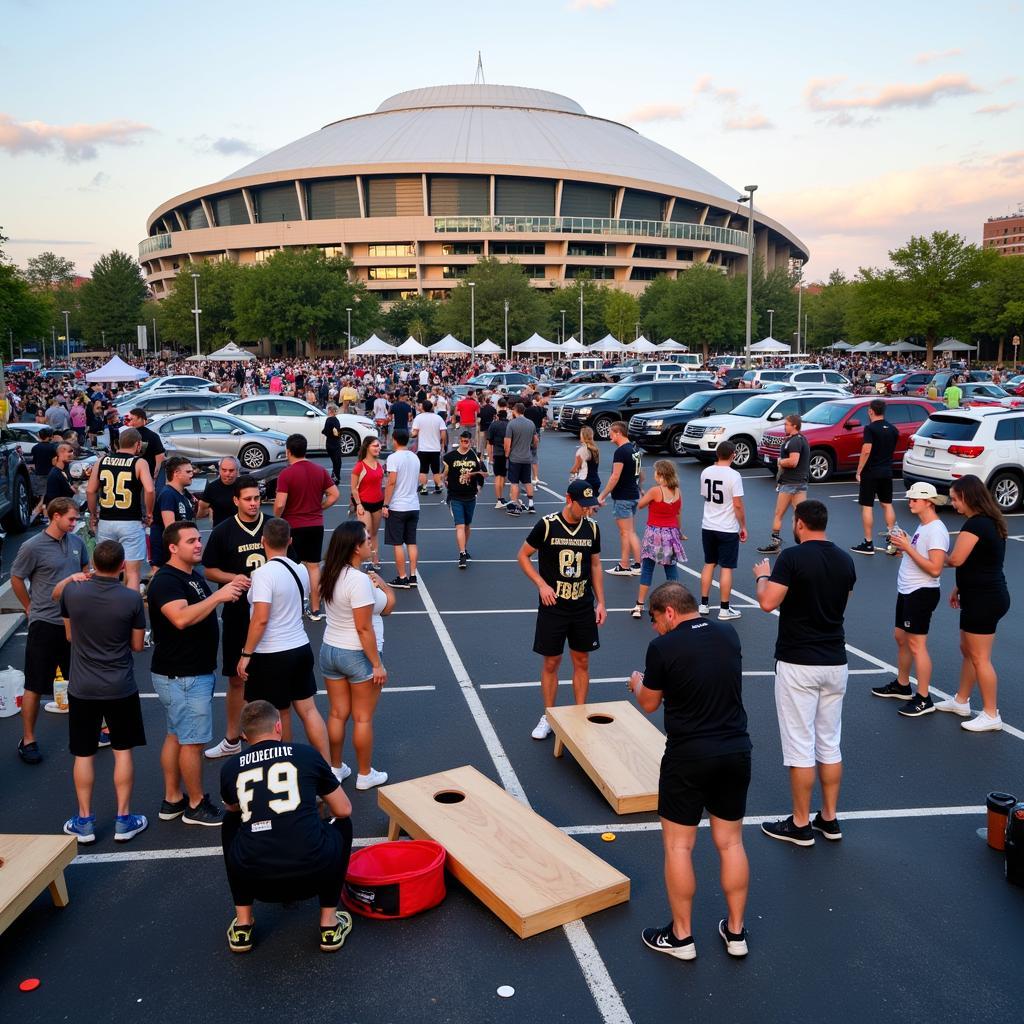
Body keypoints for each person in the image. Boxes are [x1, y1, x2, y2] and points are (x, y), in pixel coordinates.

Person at [629, 582, 751, 961]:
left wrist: (637, 683)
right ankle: (735, 932)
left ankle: (681, 938)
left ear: (669, 612)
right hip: (735, 749)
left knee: (679, 846)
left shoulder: (663, 647)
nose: (654, 627)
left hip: (689, 756)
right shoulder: (728, 633)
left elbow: (649, 703)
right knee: (730, 843)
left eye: (654, 619)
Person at [754, 500, 856, 846]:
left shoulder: (792, 558)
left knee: (800, 746)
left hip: (799, 662)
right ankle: (829, 818)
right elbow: (845, 599)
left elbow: (768, 602)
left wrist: (762, 577)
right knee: (829, 744)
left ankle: (799, 824)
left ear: (799, 524)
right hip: (835, 661)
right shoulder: (845, 560)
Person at [220, 700, 354, 954]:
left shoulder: (230, 767)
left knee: (230, 824)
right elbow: (344, 809)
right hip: (313, 874)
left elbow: (232, 810)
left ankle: (243, 924)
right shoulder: (305, 754)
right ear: (279, 726)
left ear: (245, 736)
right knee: (342, 824)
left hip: (256, 881)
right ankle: (329, 924)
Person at [148, 520, 248, 827]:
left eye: (198, 539)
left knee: (177, 736)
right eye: (191, 541)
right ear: (173, 548)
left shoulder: (190, 575)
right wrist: (218, 597)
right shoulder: (167, 580)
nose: (198, 544)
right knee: (192, 742)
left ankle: (172, 798)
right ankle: (195, 804)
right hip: (183, 674)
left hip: (186, 672)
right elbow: (179, 618)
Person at [59, 540, 148, 844]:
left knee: (84, 754)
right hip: (120, 685)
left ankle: (84, 821)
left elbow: (70, 634)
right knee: (122, 751)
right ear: (123, 566)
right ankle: (124, 819)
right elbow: (137, 646)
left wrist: (73, 578)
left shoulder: (73, 592)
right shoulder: (131, 599)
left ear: (93, 565)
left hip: (82, 686)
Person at [517, 479, 606, 740]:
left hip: (582, 605)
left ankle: (579, 715)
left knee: (582, 660)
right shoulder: (547, 525)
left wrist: (601, 602)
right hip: (554, 606)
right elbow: (522, 555)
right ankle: (549, 714)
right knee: (552, 661)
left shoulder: (592, 528)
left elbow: (596, 565)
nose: (588, 510)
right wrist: (541, 585)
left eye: (591, 506)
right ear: (569, 500)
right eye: (583, 505)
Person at [236, 517, 330, 758]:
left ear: (263, 541)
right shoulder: (300, 569)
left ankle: (285, 765)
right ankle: (328, 768)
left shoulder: (263, 574)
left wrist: (246, 654)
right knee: (309, 710)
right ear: (289, 540)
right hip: (300, 646)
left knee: (281, 712)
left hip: (272, 653)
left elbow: (261, 618)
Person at [10, 498, 90, 765]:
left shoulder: (77, 543)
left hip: (73, 624)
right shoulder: (32, 546)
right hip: (45, 623)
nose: (74, 523)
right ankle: (28, 739)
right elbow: (16, 577)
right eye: (70, 519)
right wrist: (29, 607)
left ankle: (85, 733)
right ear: (55, 516)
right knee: (34, 685)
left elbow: (84, 571)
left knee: (79, 683)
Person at [320, 520, 395, 790]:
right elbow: (364, 628)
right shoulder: (359, 581)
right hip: (356, 654)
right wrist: (377, 664)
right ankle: (365, 774)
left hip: (330, 649)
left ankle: (336, 768)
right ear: (355, 547)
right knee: (363, 717)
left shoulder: (328, 572)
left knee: (338, 713)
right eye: (366, 540)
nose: (370, 542)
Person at [938, 475, 1010, 732]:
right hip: (981, 594)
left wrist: (924, 555)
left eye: (956, 498)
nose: (953, 503)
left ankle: (991, 714)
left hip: (985, 599)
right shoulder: (990, 522)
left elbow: (956, 559)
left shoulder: (976, 525)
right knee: (967, 650)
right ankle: (961, 701)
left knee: (980, 657)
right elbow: (982, 561)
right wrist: (959, 587)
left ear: (968, 497)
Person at [202, 475, 267, 760]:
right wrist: (234, 578)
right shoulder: (224, 530)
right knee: (236, 678)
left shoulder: (274, 526)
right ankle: (232, 738)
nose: (253, 504)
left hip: (270, 618)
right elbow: (209, 569)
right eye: (248, 499)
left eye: (257, 498)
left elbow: (294, 563)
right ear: (236, 501)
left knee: (268, 680)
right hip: (238, 614)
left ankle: (267, 742)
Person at [873, 482, 950, 716]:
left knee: (917, 644)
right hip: (907, 590)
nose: (910, 502)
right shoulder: (923, 526)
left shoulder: (936, 530)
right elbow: (919, 556)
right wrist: (904, 547)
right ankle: (902, 684)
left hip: (921, 592)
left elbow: (936, 569)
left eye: (915, 499)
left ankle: (924, 698)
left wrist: (908, 547)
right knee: (901, 637)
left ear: (928, 502)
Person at [273, 433, 339, 621]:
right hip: (315, 525)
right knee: (313, 567)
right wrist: (320, 507)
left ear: (288, 451)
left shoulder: (286, 474)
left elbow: (279, 504)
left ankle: (293, 607)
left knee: (291, 567)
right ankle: (316, 609)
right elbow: (334, 495)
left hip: (292, 526)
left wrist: (277, 520)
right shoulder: (319, 470)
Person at [86, 428, 155, 592]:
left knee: (106, 571)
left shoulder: (101, 461)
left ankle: (105, 605)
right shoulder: (139, 462)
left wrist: (94, 514)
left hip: (106, 521)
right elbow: (150, 490)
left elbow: (90, 491)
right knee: (132, 573)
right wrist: (150, 513)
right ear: (138, 445)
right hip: (130, 521)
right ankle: (130, 610)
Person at [631, 460, 686, 619]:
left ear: (660, 475)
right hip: (670, 535)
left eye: (655, 472)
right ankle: (676, 604)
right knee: (670, 569)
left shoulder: (655, 491)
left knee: (648, 568)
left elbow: (640, 505)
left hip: (654, 535)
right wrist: (679, 532)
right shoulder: (677, 491)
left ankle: (639, 605)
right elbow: (677, 514)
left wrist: (642, 494)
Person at [699, 441, 747, 620]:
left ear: (717, 454)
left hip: (708, 525)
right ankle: (724, 609)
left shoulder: (706, 472)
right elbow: (737, 504)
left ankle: (703, 604)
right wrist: (743, 526)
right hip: (727, 527)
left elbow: (705, 496)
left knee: (709, 563)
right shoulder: (734, 475)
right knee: (726, 567)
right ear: (733, 454)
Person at [851, 399, 898, 555]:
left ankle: (868, 542)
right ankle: (892, 537)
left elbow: (866, 450)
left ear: (871, 411)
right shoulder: (893, 429)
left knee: (867, 506)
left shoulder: (870, 429)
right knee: (887, 504)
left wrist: (859, 471)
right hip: (886, 471)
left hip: (871, 471)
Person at [757, 414, 809, 554]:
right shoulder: (801, 439)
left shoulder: (794, 442)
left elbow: (793, 461)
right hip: (800, 482)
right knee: (801, 515)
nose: (784, 426)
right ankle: (807, 543)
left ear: (795, 426)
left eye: (787, 424)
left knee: (779, 514)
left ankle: (775, 543)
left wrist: (780, 461)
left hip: (790, 483)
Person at [599, 421, 643, 576]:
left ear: (618, 432)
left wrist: (602, 495)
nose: (609, 434)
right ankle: (637, 564)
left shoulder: (621, 452)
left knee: (626, 533)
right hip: (632, 495)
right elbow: (639, 473)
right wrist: (640, 488)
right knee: (630, 531)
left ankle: (625, 565)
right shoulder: (634, 449)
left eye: (611, 432)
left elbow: (615, 476)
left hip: (623, 497)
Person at [382, 428, 421, 589]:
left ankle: (402, 577)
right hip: (413, 505)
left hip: (398, 506)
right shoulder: (415, 457)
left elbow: (391, 482)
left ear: (395, 440)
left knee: (397, 543)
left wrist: (385, 504)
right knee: (411, 541)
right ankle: (412, 575)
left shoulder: (393, 458)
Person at [443, 430, 486, 569]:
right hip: (455, 496)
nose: (464, 444)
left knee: (467, 525)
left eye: (466, 441)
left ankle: (464, 548)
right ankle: (462, 554)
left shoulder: (475, 457)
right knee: (459, 525)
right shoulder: (450, 457)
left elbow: (485, 473)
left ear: (471, 441)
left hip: (470, 496)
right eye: (462, 441)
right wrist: (444, 481)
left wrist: (474, 476)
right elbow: (442, 474)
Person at [150, 455, 199, 569]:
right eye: (188, 472)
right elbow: (170, 528)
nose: (192, 474)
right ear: (176, 473)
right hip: (167, 552)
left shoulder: (184, 493)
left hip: (179, 548)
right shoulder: (168, 494)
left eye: (191, 471)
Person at [351, 436, 385, 572]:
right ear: (367, 447)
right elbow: (353, 488)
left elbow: (383, 484)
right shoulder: (360, 466)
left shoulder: (380, 464)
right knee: (367, 533)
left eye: (379, 446)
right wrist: (358, 504)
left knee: (375, 533)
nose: (378, 448)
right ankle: (362, 559)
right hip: (364, 504)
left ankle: (375, 559)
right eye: (375, 446)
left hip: (378, 503)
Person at [503, 402, 537, 515]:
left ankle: (515, 504)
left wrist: (507, 454)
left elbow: (507, 442)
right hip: (527, 457)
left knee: (514, 482)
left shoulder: (512, 424)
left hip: (515, 458)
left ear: (515, 410)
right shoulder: (531, 423)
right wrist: (531, 447)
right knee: (527, 481)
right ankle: (531, 504)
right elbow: (535, 440)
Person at [411, 398, 447, 495]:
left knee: (423, 470)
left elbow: (414, 433)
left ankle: (423, 488)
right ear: (432, 407)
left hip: (423, 449)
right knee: (436, 470)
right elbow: (443, 433)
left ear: (422, 407)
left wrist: (411, 434)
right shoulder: (438, 418)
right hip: (435, 449)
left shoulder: (418, 418)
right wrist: (443, 444)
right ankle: (439, 486)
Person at [126, 408, 166, 483]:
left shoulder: (127, 435)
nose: (130, 422)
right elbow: (160, 456)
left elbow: (160, 456)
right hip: (146, 474)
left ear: (140, 419)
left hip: (133, 473)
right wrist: (156, 474)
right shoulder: (153, 435)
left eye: (132, 419)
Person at [198, 457, 242, 527]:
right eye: (224, 470)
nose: (227, 474)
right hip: (220, 531)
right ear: (219, 470)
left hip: (242, 529)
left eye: (231, 470)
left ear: (237, 471)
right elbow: (201, 512)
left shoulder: (244, 486)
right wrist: (204, 509)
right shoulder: (212, 487)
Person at [29, 426, 58, 521]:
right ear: (50, 436)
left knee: (43, 495)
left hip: (39, 474)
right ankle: (43, 514)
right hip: (51, 473)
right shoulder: (53, 447)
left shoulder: (35, 448)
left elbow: (33, 463)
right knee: (49, 495)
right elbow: (55, 461)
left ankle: (43, 514)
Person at [486, 399, 510, 508]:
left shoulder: (494, 425)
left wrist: (490, 456)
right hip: (507, 453)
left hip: (497, 453)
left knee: (498, 476)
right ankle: (501, 497)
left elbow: (489, 442)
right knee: (504, 476)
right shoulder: (509, 425)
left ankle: (499, 498)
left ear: (498, 416)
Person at [570, 425, 601, 491]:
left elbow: (576, 468)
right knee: (593, 500)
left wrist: (571, 472)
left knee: (581, 500)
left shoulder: (582, 450)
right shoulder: (595, 449)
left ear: (582, 436)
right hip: (595, 480)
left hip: (585, 481)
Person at [322, 404, 343, 484]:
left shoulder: (328, 420)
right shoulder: (334, 420)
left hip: (329, 443)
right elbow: (337, 432)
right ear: (334, 411)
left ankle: (335, 476)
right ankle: (336, 477)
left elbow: (325, 431)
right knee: (337, 461)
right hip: (335, 443)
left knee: (335, 461)